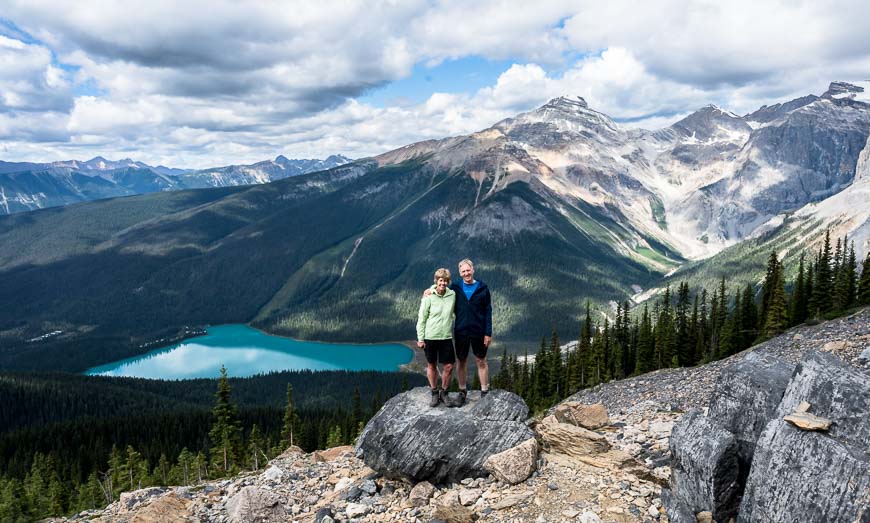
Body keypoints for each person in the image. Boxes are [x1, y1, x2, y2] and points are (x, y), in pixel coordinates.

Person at [425, 258, 492, 407]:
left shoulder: (483, 288)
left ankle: (484, 391)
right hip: (461, 331)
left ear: (473, 270)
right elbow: (441, 287)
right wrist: (430, 289)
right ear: (460, 273)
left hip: (479, 331)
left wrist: (488, 333)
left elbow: (488, 311)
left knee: (481, 360)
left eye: (468, 270)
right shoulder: (455, 288)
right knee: (461, 361)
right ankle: (463, 392)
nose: (466, 273)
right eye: (463, 271)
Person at [416, 268, 456, 408]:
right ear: (436, 281)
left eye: (445, 281)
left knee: (449, 366)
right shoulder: (428, 297)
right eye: (440, 280)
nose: (443, 283)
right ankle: (434, 392)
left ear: (448, 282)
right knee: (431, 365)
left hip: (446, 336)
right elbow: (422, 318)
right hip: (430, 337)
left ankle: (444, 392)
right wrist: (421, 338)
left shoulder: (452, 295)